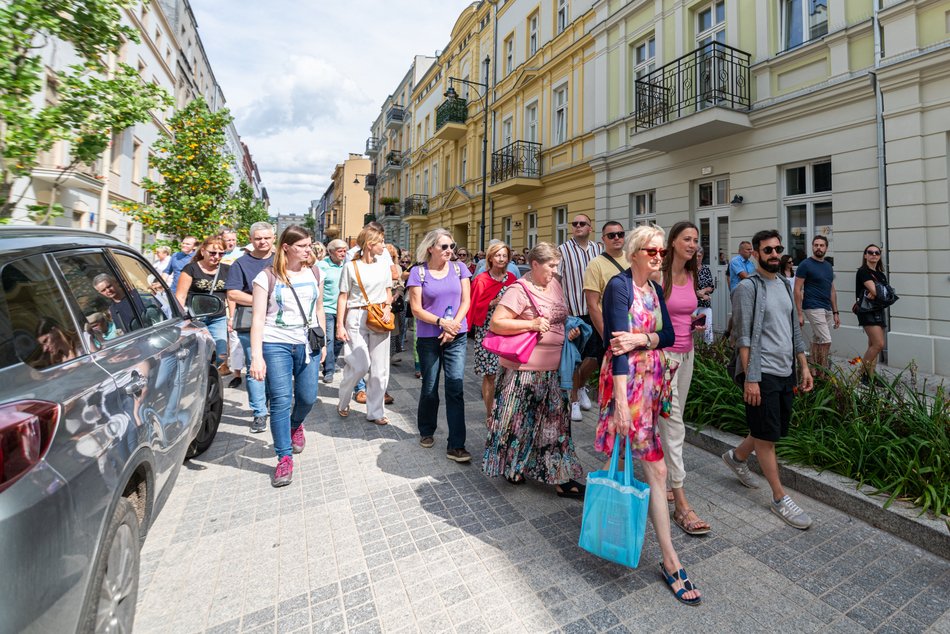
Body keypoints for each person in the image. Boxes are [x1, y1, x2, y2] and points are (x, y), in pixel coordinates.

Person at [596, 224, 700, 605]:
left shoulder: (655, 289)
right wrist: (621, 403)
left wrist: (642, 338)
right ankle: (670, 559)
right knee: (653, 468)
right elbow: (616, 348)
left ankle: (624, 526)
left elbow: (669, 335)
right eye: (653, 252)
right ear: (636, 253)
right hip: (628, 387)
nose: (659, 257)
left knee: (641, 465)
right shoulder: (619, 287)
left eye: (661, 252)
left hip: (654, 384)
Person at [722, 229, 814, 529]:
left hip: (785, 369)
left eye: (777, 249)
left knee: (767, 428)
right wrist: (751, 378)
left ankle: (736, 458)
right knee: (767, 437)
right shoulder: (748, 289)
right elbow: (743, 336)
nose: (774, 254)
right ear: (756, 254)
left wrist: (804, 365)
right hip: (762, 373)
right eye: (767, 250)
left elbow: (794, 329)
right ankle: (778, 498)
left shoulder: (786, 285)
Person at [483, 243, 584, 496]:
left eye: (557, 265)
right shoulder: (519, 289)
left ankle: (559, 476)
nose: (555, 270)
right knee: (520, 424)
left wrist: (569, 331)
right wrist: (532, 323)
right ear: (535, 264)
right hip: (523, 370)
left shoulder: (556, 285)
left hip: (556, 369)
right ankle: (514, 467)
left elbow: (561, 317)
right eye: (551, 265)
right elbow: (497, 323)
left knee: (556, 425)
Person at [249, 225, 327, 487]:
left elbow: (319, 309)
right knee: (281, 401)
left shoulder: (316, 272)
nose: (309, 250)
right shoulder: (266, 277)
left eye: (309, 245)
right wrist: (257, 357)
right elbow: (258, 319)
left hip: (307, 343)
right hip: (276, 344)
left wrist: (323, 342)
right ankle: (283, 457)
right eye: (302, 246)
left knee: (307, 397)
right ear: (286, 247)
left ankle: (296, 424)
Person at [658, 221, 711, 536]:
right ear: (673, 241)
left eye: (695, 239)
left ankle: (662, 478)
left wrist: (693, 322)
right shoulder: (658, 275)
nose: (692, 244)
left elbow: (680, 312)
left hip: (687, 353)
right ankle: (681, 503)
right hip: (664, 358)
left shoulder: (691, 276)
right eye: (687, 239)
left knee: (670, 421)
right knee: (674, 424)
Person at [406, 229, 472, 462]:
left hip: (457, 335)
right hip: (428, 337)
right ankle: (426, 429)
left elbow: (466, 300)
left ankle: (456, 445)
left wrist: (452, 326)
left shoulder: (459, 268)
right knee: (430, 387)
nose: (450, 251)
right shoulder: (418, 272)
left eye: (452, 246)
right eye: (444, 247)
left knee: (455, 387)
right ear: (430, 248)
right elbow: (416, 309)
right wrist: (440, 322)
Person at [336, 227, 394, 424]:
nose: (384, 246)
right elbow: (343, 296)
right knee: (360, 365)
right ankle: (343, 400)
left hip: (379, 316)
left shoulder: (384, 265)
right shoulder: (351, 267)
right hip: (356, 315)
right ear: (370, 244)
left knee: (380, 368)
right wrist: (339, 325)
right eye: (381, 242)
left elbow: (388, 291)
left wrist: (388, 307)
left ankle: (376, 412)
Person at [225, 221, 276, 433]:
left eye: (266, 238)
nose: (262, 242)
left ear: (274, 238)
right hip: (248, 321)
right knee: (255, 369)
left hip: (278, 323)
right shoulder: (240, 263)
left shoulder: (281, 260)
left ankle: (274, 405)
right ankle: (259, 413)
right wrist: (260, 299)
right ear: (251, 239)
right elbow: (233, 293)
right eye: (258, 238)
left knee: (276, 369)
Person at [578, 220, 628, 421]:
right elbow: (592, 304)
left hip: (631, 331)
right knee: (611, 384)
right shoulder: (596, 264)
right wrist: (607, 336)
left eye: (620, 234)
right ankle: (611, 428)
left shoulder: (632, 260)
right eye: (611, 235)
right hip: (609, 331)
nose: (617, 238)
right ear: (603, 239)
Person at [557, 213, 604, 421]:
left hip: (596, 311)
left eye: (582, 223)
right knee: (575, 358)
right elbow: (557, 281)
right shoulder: (563, 251)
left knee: (595, 356)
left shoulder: (599, 249)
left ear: (590, 227)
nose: (577, 226)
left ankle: (582, 385)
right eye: (574, 224)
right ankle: (574, 400)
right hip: (573, 312)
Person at [469, 241, 517, 421]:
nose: (501, 259)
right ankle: (490, 414)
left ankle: (505, 411)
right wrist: (492, 303)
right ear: (490, 257)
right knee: (489, 374)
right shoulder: (481, 280)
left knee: (508, 373)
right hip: (486, 332)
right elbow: (473, 307)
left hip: (508, 332)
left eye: (504, 256)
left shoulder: (512, 279)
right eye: (498, 255)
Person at [175, 235, 230, 364]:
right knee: (195, 355)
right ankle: (200, 378)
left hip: (218, 318)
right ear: (203, 251)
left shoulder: (227, 270)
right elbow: (180, 296)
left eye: (221, 254)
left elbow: (231, 296)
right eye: (212, 252)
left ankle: (210, 373)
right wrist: (182, 320)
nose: (216, 256)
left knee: (221, 354)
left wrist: (231, 317)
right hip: (195, 318)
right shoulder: (191, 269)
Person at [794, 235, 839, 369]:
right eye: (816, 245)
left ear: (826, 248)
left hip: (827, 308)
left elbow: (832, 291)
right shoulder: (805, 264)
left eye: (821, 245)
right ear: (812, 246)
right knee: (826, 340)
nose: (818, 247)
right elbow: (797, 289)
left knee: (817, 339)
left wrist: (836, 312)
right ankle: (823, 368)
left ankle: (812, 369)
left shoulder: (828, 266)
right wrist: (799, 313)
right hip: (812, 306)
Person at [855, 244, 888, 384]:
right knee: (879, 344)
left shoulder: (880, 274)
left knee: (872, 345)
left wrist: (879, 293)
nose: (874, 255)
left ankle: (870, 376)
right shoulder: (863, 271)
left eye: (877, 253)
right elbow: (878, 292)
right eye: (870, 252)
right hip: (867, 311)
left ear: (879, 256)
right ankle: (860, 374)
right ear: (865, 255)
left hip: (879, 310)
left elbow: (886, 294)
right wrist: (878, 293)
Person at [318, 239, 348, 383]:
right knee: (328, 340)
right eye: (339, 250)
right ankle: (328, 370)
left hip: (343, 310)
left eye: (344, 250)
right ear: (330, 252)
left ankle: (332, 361)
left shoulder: (347, 266)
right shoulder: (322, 266)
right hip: (326, 309)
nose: (343, 253)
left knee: (339, 340)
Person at [695, 247, 714, 345]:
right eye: (695, 256)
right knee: (689, 327)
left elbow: (711, 287)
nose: (697, 258)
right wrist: (699, 294)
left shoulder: (706, 269)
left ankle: (708, 349)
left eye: (699, 256)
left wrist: (705, 290)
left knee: (708, 327)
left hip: (705, 303)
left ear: (702, 257)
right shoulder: (688, 269)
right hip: (692, 303)